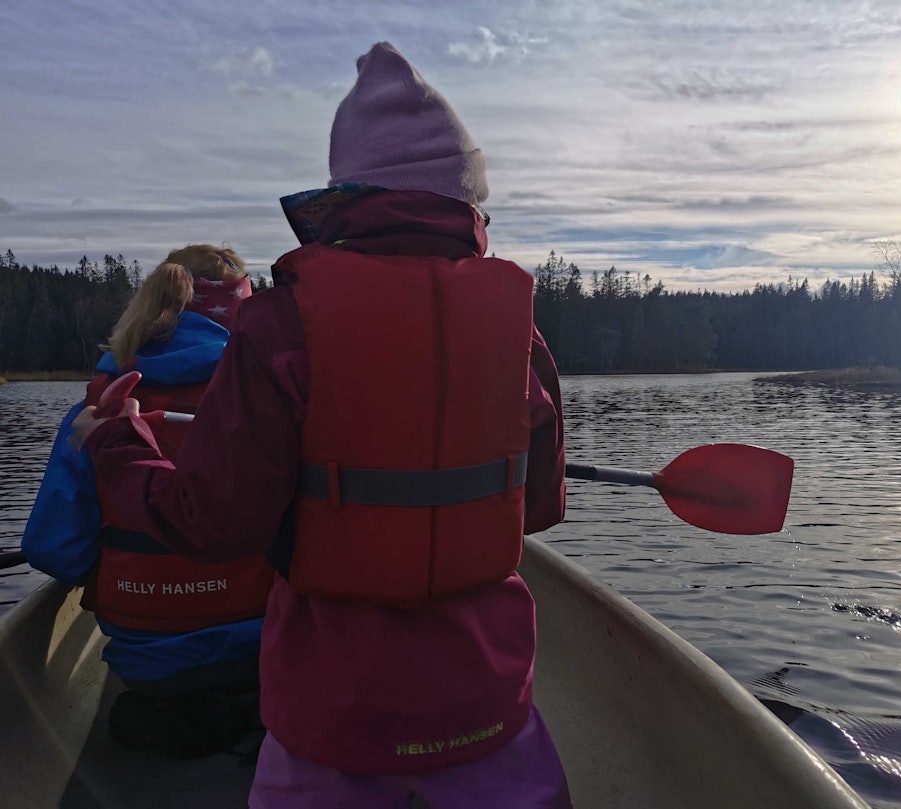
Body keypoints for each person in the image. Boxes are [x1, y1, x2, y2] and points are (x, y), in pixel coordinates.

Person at [72, 42, 573, 807]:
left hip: (335, 720)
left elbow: (214, 523)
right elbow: (538, 507)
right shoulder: (520, 334)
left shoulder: (280, 327)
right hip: (487, 711)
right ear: (466, 206)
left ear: (344, 195)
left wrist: (116, 443)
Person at [22, 245, 273, 758]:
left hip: (146, 664)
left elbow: (54, 551)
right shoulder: (267, 398)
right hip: (266, 649)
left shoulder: (95, 408)